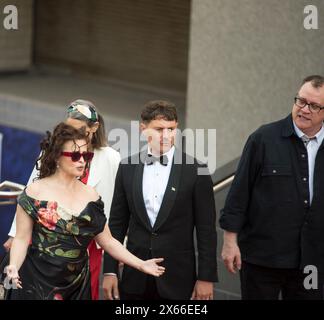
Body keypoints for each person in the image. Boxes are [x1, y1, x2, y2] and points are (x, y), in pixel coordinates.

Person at [2, 123, 165, 300]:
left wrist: (141, 264)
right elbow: (21, 238)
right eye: (75, 155)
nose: (82, 160)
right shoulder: (34, 192)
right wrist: (13, 266)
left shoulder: (91, 196)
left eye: (86, 155)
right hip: (34, 281)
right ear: (57, 157)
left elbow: (108, 241)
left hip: (75, 287)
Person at [3, 99, 120, 300]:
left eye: (80, 129)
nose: (74, 133)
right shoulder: (53, 150)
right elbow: (30, 191)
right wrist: (15, 233)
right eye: (69, 128)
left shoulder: (110, 157)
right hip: (46, 232)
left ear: (95, 128)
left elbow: (116, 206)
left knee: (85, 290)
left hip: (88, 239)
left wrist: (119, 248)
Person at [220, 75, 324, 300]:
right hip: (261, 259)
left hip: (312, 263)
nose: (304, 109)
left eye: (314, 106)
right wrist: (230, 242)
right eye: (300, 101)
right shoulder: (264, 139)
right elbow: (239, 194)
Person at [102, 100, 218, 300]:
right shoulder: (127, 166)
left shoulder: (196, 170)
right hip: (134, 278)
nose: (166, 136)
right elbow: (117, 224)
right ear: (143, 129)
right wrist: (110, 271)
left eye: (171, 129)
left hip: (178, 280)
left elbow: (206, 230)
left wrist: (206, 277)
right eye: (159, 129)